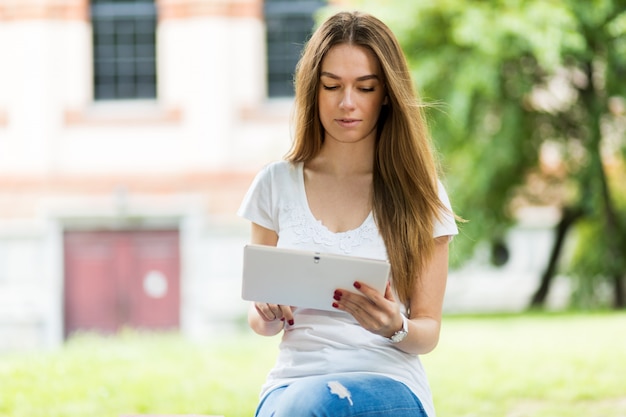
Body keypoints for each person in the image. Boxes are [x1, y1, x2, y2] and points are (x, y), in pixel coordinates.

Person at [238, 10, 459, 417]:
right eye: (332, 85)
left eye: (365, 87)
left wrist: (396, 326)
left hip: (387, 381)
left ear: (387, 93)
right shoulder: (275, 184)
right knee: (300, 406)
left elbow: (428, 332)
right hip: (292, 383)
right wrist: (267, 311)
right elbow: (259, 319)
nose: (347, 102)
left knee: (314, 407)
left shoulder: (420, 193)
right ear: (313, 90)